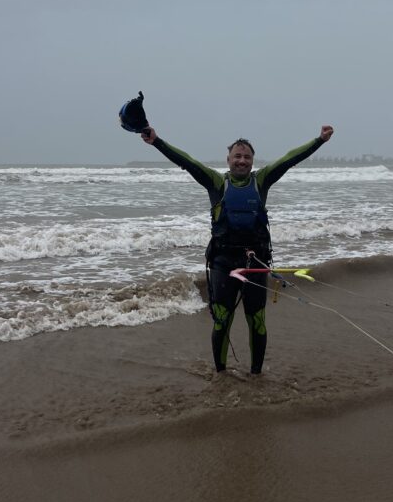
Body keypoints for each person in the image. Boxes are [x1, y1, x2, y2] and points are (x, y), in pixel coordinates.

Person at [141, 125, 334, 375]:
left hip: (255, 263)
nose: (242, 161)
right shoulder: (215, 182)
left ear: (252, 161)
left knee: (257, 321)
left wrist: (319, 140)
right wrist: (157, 141)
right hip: (223, 262)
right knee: (222, 320)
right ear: (228, 159)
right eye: (237, 156)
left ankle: (256, 374)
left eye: (247, 157)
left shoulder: (261, 180)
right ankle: (221, 373)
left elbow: (289, 159)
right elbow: (186, 161)